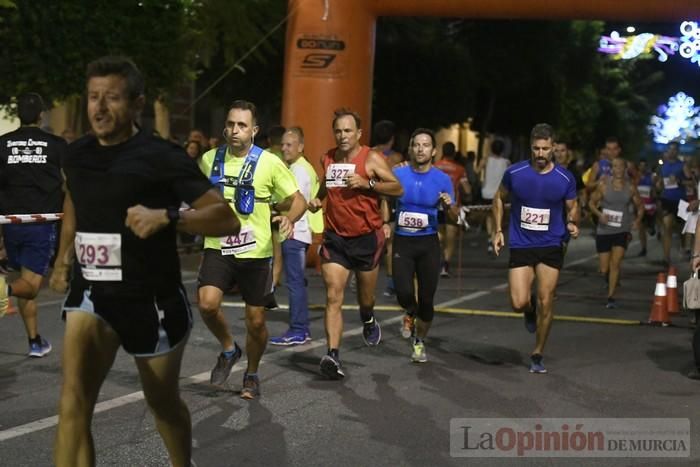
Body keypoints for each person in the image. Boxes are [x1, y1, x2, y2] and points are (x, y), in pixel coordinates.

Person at [48, 56, 240, 467]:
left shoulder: (162, 156)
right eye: (93, 97)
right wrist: (63, 259)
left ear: (136, 104)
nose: (98, 108)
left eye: (111, 98)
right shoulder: (76, 155)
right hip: (92, 293)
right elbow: (74, 202)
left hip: (149, 300)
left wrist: (170, 216)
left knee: (163, 404)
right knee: (72, 404)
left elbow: (225, 218)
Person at [197, 100, 305, 399]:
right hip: (218, 245)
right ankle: (230, 349)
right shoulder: (208, 160)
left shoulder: (270, 162)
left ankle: (252, 373)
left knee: (256, 321)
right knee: (206, 304)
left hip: (256, 252)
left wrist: (288, 217)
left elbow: (298, 200)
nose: (235, 130)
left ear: (254, 130)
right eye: (231, 124)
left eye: (242, 125)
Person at [308, 108, 403, 379]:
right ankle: (333, 355)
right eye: (338, 130)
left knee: (366, 299)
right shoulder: (327, 157)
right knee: (333, 296)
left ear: (359, 133)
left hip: (366, 238)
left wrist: (367, 182)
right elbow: (325, 187)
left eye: (348, 130)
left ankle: (368, 318)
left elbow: (397, 188)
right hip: (336, 238)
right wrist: (317, 199)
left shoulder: (371, 158)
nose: (342, 135)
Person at [492, 123, 579, 374]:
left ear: (554, 148)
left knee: (546, 300)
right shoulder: (515, 172)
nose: (540, 154)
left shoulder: (564, 177)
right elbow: (499, 197)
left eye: (545, 149)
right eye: (536, 149)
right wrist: (498, 230)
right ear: (531, 148)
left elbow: (573, 205)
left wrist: (572, 222)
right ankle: (527, 310)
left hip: (551, 244)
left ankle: (538, 352)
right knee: (518, 302)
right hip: (521, 243)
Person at [0, 92, 65, 357]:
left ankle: (35, 340)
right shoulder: (56, 144)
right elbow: (70, 182)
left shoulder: (2, 144)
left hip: (9, 224)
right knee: (30, 285)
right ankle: (1, 289)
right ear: (41, 115)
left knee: (23, 284)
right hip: (41, 224)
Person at [392, 128, 457, 362]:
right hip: (402, 240)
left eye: (425, 145)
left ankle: (419, 341)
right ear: (411, 149)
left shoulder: (442, 179)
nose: (420, 149)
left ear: (433, 151)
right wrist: (382, 223)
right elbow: (380, 196)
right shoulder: (397, 173)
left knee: (427, 299)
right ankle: (410, 311)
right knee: (403, 292)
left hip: (428, 242)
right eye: (416, 145)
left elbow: (454, 217)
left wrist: (449, 205)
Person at [269, 127, 316, 345]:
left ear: (301, 147)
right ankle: (300, 327)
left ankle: (298, 329)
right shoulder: (299, 167)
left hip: (295, 231)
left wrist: (272, 204)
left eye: (290, 144)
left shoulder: (299, 170)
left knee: (295, 283)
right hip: (297, 231)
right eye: (283, 144)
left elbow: (295, 200)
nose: (284, 148)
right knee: (296, 282)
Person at [588, 158, 643, 308]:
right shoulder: (604, 186)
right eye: (614, 166)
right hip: (604, 231)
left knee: (615, 263)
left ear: (625, 169)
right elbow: (591, 203)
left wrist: (637, 220)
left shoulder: (631, 188)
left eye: (620, 166)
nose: (617, 169)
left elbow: (640, 206)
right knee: (604, 268)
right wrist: (600, 215)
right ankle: (610, 280)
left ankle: (611, 297)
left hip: (622, 230)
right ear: (611, 169)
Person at [372, 119, 403, 297]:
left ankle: (363, 273)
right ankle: (391, 283)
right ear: (392, 138)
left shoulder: (369, 154)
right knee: (390, 244)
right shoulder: (396, 159)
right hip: (389, 202)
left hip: (371, 201)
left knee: (370, 240)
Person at [434, 141, 468, 276]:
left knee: (439, 234)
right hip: (452, 206)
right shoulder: (460, 169)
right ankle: (445, 266)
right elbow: (467, 189)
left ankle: (436, 259)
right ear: (454, 153)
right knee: (451, 237)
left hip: (436, 205)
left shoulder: (434, 167)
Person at [656, 141, 689, 266]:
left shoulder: (682, 166)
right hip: (667, 199)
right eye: (670, 149)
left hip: (681, 200)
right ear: (667, 151)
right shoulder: (663, 166)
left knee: (681, 229)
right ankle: (666, 257)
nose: (672, 151)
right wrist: (659, 185)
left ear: (677, 151)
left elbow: (691, 182)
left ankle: (683, 246)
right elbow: (659, 182)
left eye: (675, 149)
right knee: (667, 227)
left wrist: (680, 181)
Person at [479, 138, 510, 254]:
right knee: (497, 216)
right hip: (499, 194)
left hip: (486, 192)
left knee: (488, 216)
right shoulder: (507, 162)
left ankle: (489, 237)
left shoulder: (486, 160)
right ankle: (494, 236)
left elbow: (477, 171)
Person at [636, 159, 658, 257]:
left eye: (644, 165)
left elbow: (656, 190)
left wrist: (654, 190)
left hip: (650, 207)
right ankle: (643, 248)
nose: (643, 167)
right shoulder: (636, 177)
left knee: (649, 228)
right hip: (640, 207)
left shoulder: (652, 177)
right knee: (641, 228)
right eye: (641, 165)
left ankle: (652, 227)